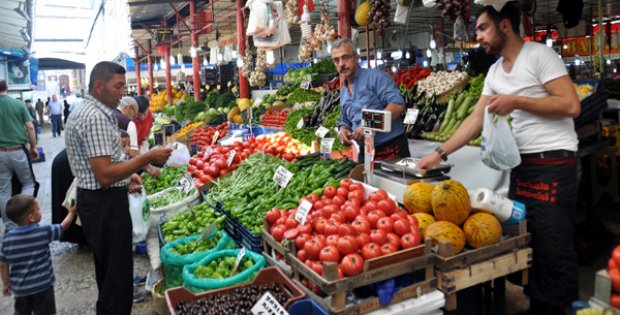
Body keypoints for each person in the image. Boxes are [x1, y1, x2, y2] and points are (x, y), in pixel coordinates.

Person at [417, 2, 581, 314]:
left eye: (482, 28)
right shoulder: (494, 71)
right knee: (527, 240)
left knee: (553, 245)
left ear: (504, 25)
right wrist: (437, 154)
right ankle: (538, 305)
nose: (477, 36)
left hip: (553, 166)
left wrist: (516, 101)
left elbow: (571, 105)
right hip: (523, 169)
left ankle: (556, 308)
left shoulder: (539, 56)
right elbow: (474, 121)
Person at [64, 61, 171, 314]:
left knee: (109, 272)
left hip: (97, 200)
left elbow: (106, 163)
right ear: (99, 86)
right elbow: (104, 174)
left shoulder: (89, 111)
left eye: (124, 86)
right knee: (118, 277)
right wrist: (146, 158)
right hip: (104, 203)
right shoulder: (95, 118)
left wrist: (128, 174)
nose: (123, 92)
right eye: (118, 86)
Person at [331, 38, 409, 162]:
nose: (341, 64)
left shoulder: (376, 78)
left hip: (390, 149)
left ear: (356, 58)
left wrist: (368, 126)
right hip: (364, 152)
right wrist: (343, 129)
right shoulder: (344, 91)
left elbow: (398, 105)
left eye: (345, 57)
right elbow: (345, 119)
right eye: (336, 60)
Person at [0, 194, 77, 315]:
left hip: (21, 289)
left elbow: (3, 264)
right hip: (43, 286)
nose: (40, 211)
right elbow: (62, 227)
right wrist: (71, 213)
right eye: (38, 209)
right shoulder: (43, 231)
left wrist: (5, 283)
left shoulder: (8, 239)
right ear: (31, 217)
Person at [0, 79, 38, 225]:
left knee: (3, 190)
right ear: (7, 88)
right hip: (18, 151)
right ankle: (25, 219)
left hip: (0, 153)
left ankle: (9, 226)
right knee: (28, 183)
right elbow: (30, 126)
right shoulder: (18, 104)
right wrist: (33, 147)